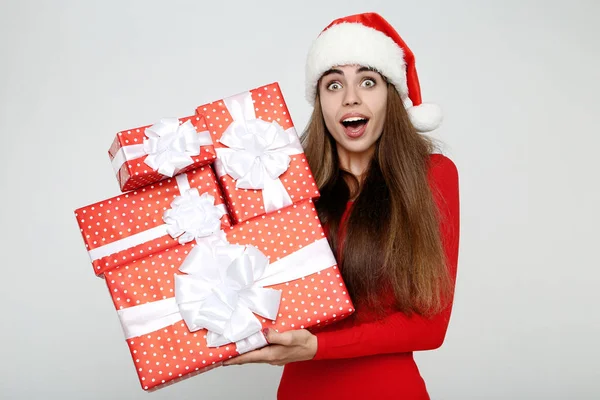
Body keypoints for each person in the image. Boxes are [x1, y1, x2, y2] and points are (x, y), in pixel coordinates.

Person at [223, 12, 460, 399]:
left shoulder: (432, 176)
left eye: (368, 81)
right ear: (320, 102)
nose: (351, 97)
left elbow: (429, 328)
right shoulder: (285, 186)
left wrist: (317, 347)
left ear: (391, 96)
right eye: (334, 84)